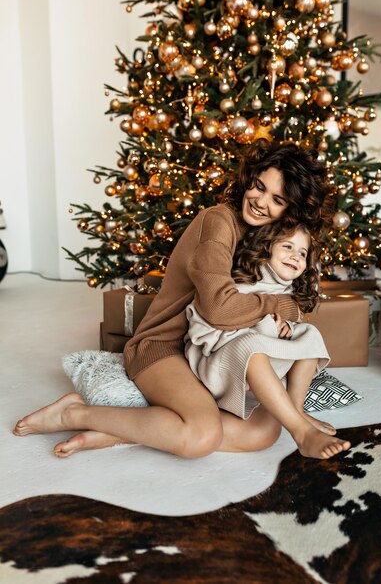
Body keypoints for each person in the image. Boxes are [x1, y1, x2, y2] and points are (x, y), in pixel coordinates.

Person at [13, 140, 350, 460]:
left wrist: (294, 400)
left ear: (291, 210)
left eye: (277, 199)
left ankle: (128, 430)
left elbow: (286, 301)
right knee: (200, 437)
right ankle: (76, 412)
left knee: (263, 433)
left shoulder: (274, 239)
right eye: (259, 186)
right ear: (249, 179)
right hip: (165, 348)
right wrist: (282, 307)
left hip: (211, 355)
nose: (261, 201)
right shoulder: (218, 221)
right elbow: (219, 309)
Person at [185, 223, 340, 457]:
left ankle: (296, 408)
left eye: (302, 253)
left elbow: (281, 323)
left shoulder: (285, 290)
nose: (294, 256)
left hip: (259, 361)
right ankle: (301, 433)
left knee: (309, 334)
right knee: (252, 351)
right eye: (287, 246)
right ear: (267, 247)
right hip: (220, 365)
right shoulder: (241, 283)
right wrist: (266, 325)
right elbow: (208, 327)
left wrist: (286, 326)